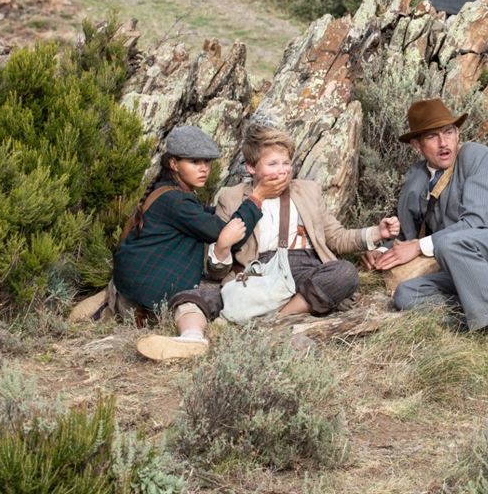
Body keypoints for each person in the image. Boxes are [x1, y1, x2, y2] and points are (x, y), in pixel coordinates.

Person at [366, 99, 488, 349]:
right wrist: (383, 252)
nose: (443, 143)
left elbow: (475, 223)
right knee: (406, 296)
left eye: (448, 132)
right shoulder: (417, 178)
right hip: (469, 275)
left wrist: (418, 247)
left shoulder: (475, 155)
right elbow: (407, 236)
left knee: (450, 243)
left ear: (457, 133)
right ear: (416, 145)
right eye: (432, 136)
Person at [110, 125, 286, 361]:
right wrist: (258, 197)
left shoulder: (171, 193)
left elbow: (210, 217)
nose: (204, 169)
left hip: (131, 287)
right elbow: (227, 234)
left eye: (207, 162)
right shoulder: (176, 201)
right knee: (216, 293)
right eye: (195, 162)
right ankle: (191, 338)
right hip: (146, 297)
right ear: (174, 164)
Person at [211, 124, 400, 318]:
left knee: (345, 272)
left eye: (286, 163)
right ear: (251, 167)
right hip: (262, 273)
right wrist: (258, 197)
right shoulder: (231, 198)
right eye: (273, 164)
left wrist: (377, 232)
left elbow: (336, 237)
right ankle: (297, 306)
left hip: (307, 268)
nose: (282, 171)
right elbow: (216, 266)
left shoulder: (308, 191)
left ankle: (279, 318)